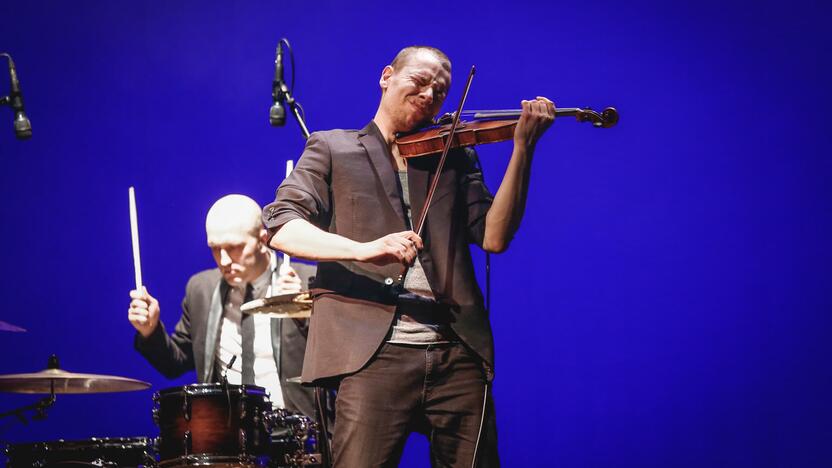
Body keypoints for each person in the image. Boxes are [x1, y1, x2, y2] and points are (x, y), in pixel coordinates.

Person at [263, 46, 554, 467]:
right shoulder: (332, 147)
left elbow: (494, 236)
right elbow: (282, 225)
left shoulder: (454, 153)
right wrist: (365, 249)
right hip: (372, 354)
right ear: (386, 76)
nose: (430, 95)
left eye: (440, 92)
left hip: (456, 351)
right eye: (420, 81)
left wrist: (522, 149)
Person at [128, 194, 316, 417]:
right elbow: (175, 364)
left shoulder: (307, 281)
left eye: (234, 247)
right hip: (227, 434)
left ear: (263, 239)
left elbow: (337, 358)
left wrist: (303, 314)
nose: (223, 260)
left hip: (297, 431)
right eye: (215, 248)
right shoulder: (201, 289)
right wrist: (150, 331)